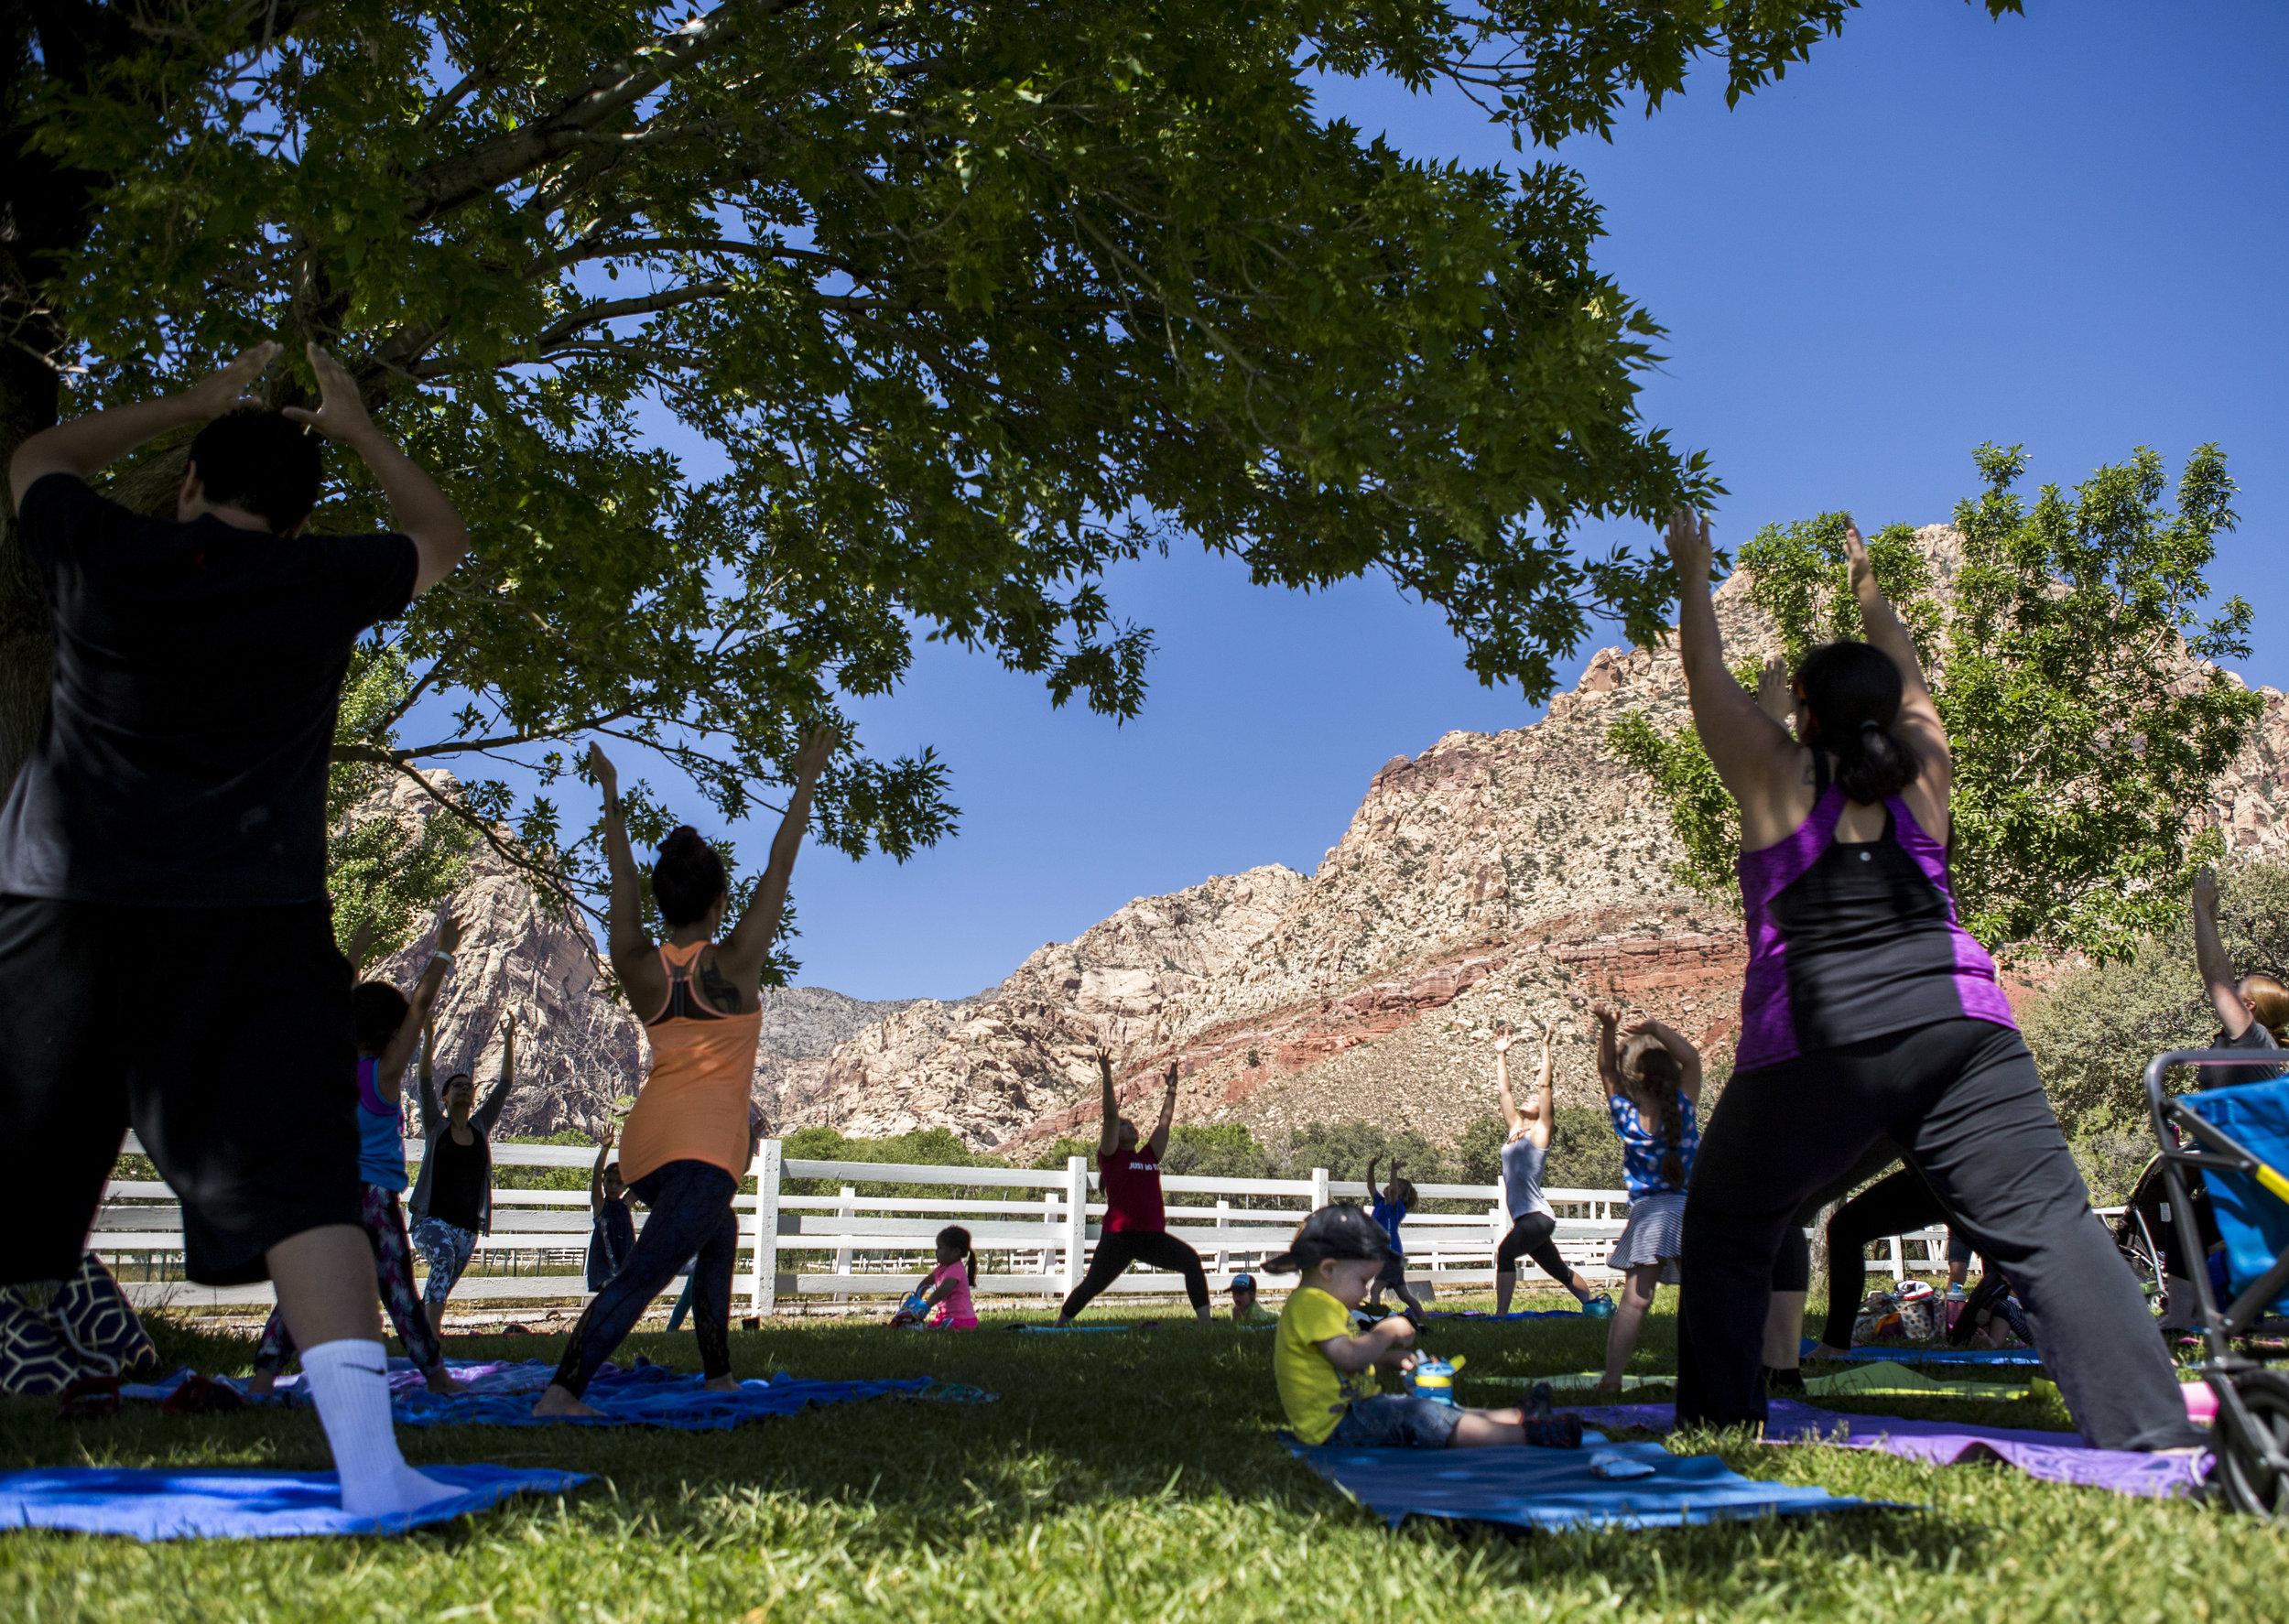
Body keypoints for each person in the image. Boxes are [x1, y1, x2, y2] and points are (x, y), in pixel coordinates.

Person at [0, 340, 472, 1517]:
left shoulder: (105, 551)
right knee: (307, 1183)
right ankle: (372, 1470)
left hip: (60, 900)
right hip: (249, 918)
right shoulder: (319, 583)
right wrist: (360, 429)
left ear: (190, 482)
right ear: (305, 517)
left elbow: (39, 453)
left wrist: (193, 401)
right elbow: (441, 540)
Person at [1659, 507, 2202, 1450]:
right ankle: (2151, 1430)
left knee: (1727, 1223)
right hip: (1962, 1026)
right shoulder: (1926, 772)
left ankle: (1719, 1426)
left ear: (1802, 710)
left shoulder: (1776, 774)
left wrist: (1693, 568)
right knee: (2050, 1226)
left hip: (1817, 1037)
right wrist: (1869, 588)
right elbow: (1905, 667)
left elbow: (1704, 675)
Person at [534, 730, 834, 1417]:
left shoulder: (639, 966)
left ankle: (717, 1375)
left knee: (719, 1233)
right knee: (644, 1272)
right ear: (719, 899)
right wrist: (806, 778)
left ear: (665, 901)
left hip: (646, 1151)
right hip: (703, 1151)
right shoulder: (735, 965)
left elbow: (620, 880)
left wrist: (610, 796)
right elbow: (780, 867)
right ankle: (562, 1392)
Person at [251, 918, 467, 1399]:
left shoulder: (330, 1065)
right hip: (372, 1199)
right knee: (398, 1290)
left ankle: (264, 1377)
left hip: (327, 1195)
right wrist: (444, 951)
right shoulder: (385, 1075)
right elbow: (422, 1006)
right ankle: (437, 1376)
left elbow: (331, 1009)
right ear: (391, 1035)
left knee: (302, 1288)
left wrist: (353, 957)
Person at [1264, 1204, 1581, 1449]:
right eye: (1363, 1281)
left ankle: (1514, 1417)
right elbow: (1349, 1357)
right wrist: (1387, 1330)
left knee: (1423, 1409)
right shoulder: (1310, 1305)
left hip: (1357, 1411)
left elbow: (1341, 1360)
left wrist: (1389, 1360)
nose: (1365, 1292)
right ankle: (1528, 1435)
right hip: (1335, 1427)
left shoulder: (1326, 1305)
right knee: (1421, 1417)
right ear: (1329, 1269)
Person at [1053, 1056, 1212, 1326]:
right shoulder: (1111, 1157)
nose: (1131, 1126)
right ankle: (1057, 1327)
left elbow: (1164, 1123)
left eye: (1132, 1124)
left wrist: (1172, 1089)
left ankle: (1207, 1324)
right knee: (1092, 1285)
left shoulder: (1149, 1155)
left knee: (1191, 1262)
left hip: (1152, 1236)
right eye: (1126, 1126)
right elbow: (1112, 1116)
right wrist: (1106, 1074)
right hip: (1120, 1238)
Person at [1591, 1004, 1700, 1391]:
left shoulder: (1626, 1116)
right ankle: (1710, 1375)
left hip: (1650, 1215)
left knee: (1635, 1302)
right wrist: (1657, 1026)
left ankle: (1612, 1379)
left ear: (1631, 1080)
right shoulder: (1685, 1107)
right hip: (1690, 1212)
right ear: (1670, 1074)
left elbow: (1605, 1070)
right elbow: (1693, 1058)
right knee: (1703, 1300)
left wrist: (1608, 1028)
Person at [409, 1012, 523, 1336]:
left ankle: (416, 1329)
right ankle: (432, 1338)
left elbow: (505, 1085)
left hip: (467, 1228)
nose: (464, 1089)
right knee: (442, 1258)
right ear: (445, 1098)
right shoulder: (436, 1125)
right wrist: (430, 1034)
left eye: (468, 1086)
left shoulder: (481, 1126)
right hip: (430, 1221)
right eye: (456, 1086)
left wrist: (508, 1040)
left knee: (441, 1283)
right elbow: (424, 1081)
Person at [1489, 1023, 1613, 1318]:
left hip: (1537, 1217)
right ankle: (1594, 1306)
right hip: (1527, 1219)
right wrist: (1501, 1054)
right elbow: (1505, 1092)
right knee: (1560, 1271)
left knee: (1505, 1254)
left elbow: (1546, 1086)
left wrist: (1545, 1047)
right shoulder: (1515, 1129)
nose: (1530, 1098)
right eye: (1529, 1098)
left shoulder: (1541, 1133)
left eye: (1534, 1099)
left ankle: (1501, 1317)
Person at [1362, 1154, 1427, 1318]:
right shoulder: (1379, 1203)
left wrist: (1394, 1171)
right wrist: (1371, 1167)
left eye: (1394, 1186)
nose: (1389, 1186)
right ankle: (1424, 1318)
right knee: (1404, 1295)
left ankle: (1373, 1318)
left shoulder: (1396, 1208)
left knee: (1375, 1289)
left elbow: (1393, 1192)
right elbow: (1371, 1186)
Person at [586, 1127, 635, 1294]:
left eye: (619, 1183)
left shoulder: (625, 1205)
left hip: (625, 1258)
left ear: (626, 1185)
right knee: (611, 1294)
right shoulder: (601, 1206)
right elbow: (595, 1175)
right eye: (610, 1181)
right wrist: (605, 1148)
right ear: (604, 1181)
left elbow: (642, 1179)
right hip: (604, 1265)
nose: (614, 1187)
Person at [909, 1226, 980, 1330]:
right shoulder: (941, 1269)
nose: (936, 1251)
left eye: (940, 1248)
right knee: (928, 1328)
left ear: (955, 1251)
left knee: (937, 1330)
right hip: (946, 1317)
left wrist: (926, 1305)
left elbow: (943, 1291)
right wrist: (917, 1298)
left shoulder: (956, 1269)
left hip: (961, 1319)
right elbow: (926, 1282)